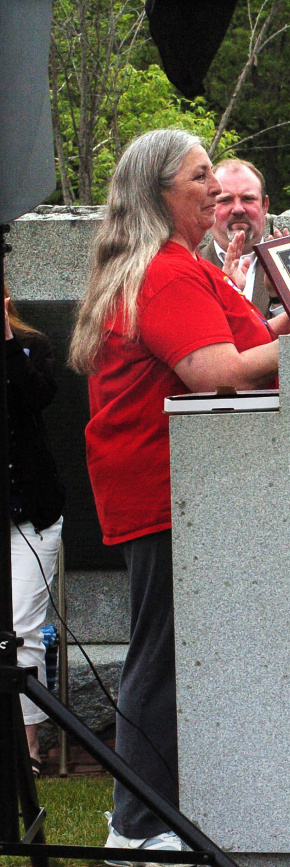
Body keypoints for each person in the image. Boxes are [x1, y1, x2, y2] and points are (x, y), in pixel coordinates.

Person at [67, 129, 290, 862]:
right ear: (161, 192)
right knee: (162, 655)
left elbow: (236, 344)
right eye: (200, 178)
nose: (216, 192)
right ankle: (137, 826)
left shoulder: (175, 266)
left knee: (178, 652)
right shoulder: (164, 273)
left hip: (187, 488)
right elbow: (215, 372)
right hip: (171, 490)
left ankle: (173, 812)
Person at [6, 284, 65, 779]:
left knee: (22, 627)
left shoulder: (32, 346)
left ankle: (28, 746)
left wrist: (6, 341)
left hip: (32, 516)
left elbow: (34, 398)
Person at [197, 158, 278, 318]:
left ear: (265, 205)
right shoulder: (191, 267)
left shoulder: (288, 265)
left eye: (248, 199)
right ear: (209, 207)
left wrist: (280, 297)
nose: (238, 209)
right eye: (225, 200)